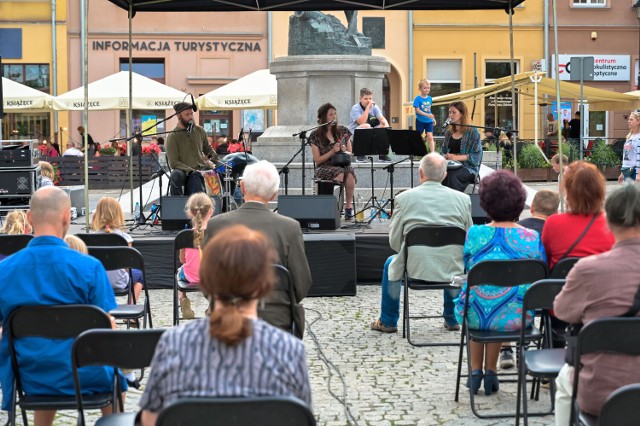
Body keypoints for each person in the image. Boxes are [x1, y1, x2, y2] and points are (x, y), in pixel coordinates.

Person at [139, 225, 312, 425]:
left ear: (208, 281)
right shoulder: (289, 351)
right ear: (263, 286)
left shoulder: (173, 344)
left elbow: (149, 421)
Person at [0, 187, 122, 426]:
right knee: (115, 373)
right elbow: (106, 328)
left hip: (27, 377)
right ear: (67, 216)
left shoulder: (4, 271)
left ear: (30, 217)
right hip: (85, 375)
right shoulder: (89, 267)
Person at [553, 183, 640, 424]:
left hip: (601, 392)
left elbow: (562, 311)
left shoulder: (589, 269)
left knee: (564, 381)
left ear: (608, 221)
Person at [453, 170, 546, 396]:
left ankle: (476, 372)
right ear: (519, 202)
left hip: (477, 314)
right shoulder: (532, 237)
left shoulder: (474, 234)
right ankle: (490, 370)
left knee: (481, 297)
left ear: (485, 202)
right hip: (516, 316)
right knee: (502, 296)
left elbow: (467, 264)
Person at [204, 160, 312, 338]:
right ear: (274, 194)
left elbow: (207, 281)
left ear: (242, 187)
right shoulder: (290, 228)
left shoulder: (217, 224)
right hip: (276, 322)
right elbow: (302, 283)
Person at [370, 153, 473, 333]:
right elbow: (468, 240)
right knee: (455, 259)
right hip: (451, 269)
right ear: (445, 175)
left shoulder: (403, 199)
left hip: (415, 267)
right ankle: (452, 318)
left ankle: (388, 321)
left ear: (420, 173)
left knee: (390, 263)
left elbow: (394, 241)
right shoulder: (463, 200)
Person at [542, 161, 614, 270]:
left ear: (568, 191)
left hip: (562, 285)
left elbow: (545, 261)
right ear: (599, 190)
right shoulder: (614, 225)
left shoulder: (553, 223)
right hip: (601, 286)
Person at [91, 197, 145, 305]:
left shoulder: (91, 239)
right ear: (119, 214)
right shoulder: (125, 238)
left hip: (97, 282)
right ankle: (130, 308)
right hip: (119, 282)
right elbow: (127, 267)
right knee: (139, 275)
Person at [309, 103, 357, 220]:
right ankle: (335, 208)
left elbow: (351, 153)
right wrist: (332, 152)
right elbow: (318, 160)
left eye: (335, 114)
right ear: (323, 117)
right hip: (324, 166)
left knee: (349, 172)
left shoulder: (342, 131)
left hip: (341, 164)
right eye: (330, 114)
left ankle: (348, 208)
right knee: (340, 173)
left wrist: (344, 151)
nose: (334, 117)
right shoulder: (315, 135)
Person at [166, 102, 219, 196]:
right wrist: (190, 170)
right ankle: (177, 204)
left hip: (202, 168)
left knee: (222, 175)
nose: (191, 117)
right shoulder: (173, 136)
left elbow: (208, 149)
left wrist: (214, 160)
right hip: (184, 171)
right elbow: (174, 162)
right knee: (175, 175)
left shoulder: (199, 130)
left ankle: (221, 205)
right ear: (178, 115)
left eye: (191, 114)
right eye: (187, 114)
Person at [177, 193, 214, 320]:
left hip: (190, 277)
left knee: (178, 272)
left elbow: (182, 260)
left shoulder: (185, 235)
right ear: (211, 211)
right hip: (211, 277)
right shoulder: (215, 233)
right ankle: (212, 304)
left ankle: (183, 298)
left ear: (190, 213)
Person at [441, 101, 483, 192]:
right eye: (449, 112)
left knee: (452, 176)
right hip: (450, 166)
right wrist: (445, 156)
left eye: (454, 112)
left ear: (462, 114)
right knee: (439, 174)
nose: (450, 115)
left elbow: (477, 156)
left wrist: (456, 157)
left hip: (468, 168)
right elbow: (443, 151)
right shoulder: (449, 133)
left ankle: (454, 202)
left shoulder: (473, 132)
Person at [349, 87, 391, 163]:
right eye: (366, 99)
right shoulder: (355, 108)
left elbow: (382, 118)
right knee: (366, 126)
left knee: (383, 126)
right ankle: (360, 155)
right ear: (360, 98)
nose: (368, 101)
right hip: (355, 133)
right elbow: (362, 122)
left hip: (370, 131)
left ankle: (382, 155)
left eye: (370, 98)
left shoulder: (374, 107)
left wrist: (386, 127)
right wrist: (368, 108)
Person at [413, 79, 436, 153]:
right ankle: (418, 151)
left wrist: (433, 119)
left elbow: (429, 110)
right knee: (418, 137)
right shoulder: (417, 99)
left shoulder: (430, 98)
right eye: (425, 88)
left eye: (428, 87)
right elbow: (417, 110)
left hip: (428, 121)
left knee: (430, 136)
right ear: (420, 89)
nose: (427, 89)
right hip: (420, 120)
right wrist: (427, 115)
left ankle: (433, 153)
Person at [618, 110, 640, 183]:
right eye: (628, 119)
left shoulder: (638, 138)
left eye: (631, 119)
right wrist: (622, 174)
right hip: (627, 171)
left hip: (634, 172)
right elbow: (626, 156)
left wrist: (638, 175)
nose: (628, 121)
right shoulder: (629, 137)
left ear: (638, 122)